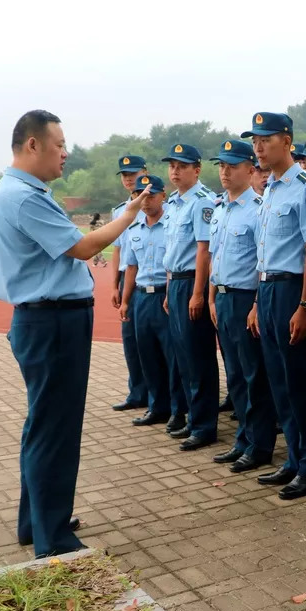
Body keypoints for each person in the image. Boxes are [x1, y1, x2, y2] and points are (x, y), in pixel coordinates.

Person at [0, 110, 150, 558]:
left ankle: (38, 520)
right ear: (33, 145)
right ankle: (52, 537)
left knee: (44, 425)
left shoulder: (17, 192)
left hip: (46, 321)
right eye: (59, 144)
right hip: (52, 322)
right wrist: (129, 215)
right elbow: (84, 247)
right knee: (54, 428)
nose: (66, 152)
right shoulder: (23, 197)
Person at [245, 112, 306, 501]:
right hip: (268, 291)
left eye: (265, 139)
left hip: (294, 291)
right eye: (255, 141)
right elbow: (265, 255)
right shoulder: (271, 189)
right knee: (279, 382)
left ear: (287, 140)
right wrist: (256, 302)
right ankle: (295, 459)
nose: (258, 147)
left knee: (302, 383)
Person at [207, 140, 278, 473]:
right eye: (221, 166)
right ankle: (243, 439)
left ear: (251, 170)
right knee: (234, 374)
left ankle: (260, 444)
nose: (224, 172)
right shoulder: (220, 208)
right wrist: (210, 297)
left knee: (254, 375)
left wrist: (254, 305)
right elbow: (214, 257)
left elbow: (262, 263)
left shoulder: (259, 209)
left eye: (232, 166)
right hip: (222, 296)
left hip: (245, 297)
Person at [161, 143, 220, 452]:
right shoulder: (174, 203)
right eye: (172, 166)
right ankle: (193, 417)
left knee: (198, 357)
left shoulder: (202, 202)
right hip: (177, 282)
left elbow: (203, 250)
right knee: (183, 356)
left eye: (182, 166)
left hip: (193, 283)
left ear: (196, 170)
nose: (175, 171)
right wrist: (170, 288)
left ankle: (205, 425)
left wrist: (198, 294)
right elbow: (173, 251)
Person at [117, 176, 188, 430]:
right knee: (147, 355)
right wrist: (126, 301)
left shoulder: (171, 224)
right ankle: (157, 406)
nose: (145, 201)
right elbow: (131, 268)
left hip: (164, 296)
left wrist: (170, 294)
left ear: (163, 195)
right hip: (141, 297)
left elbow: (172, 266)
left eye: (151, 195)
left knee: (172, 357)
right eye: (141, 195)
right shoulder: (134, 228)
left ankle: (178, 411)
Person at [110, 155, 149, 412]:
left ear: (144, 173)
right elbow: (117, 250)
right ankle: (137, 392)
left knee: (151, 341)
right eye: (124, 174)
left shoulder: (154, 204)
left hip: (148, 277)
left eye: (133, 173)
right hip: (127, 278)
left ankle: (159, 394)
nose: (127, 178)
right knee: (131, 339)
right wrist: (114, 284)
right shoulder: (118, 211)